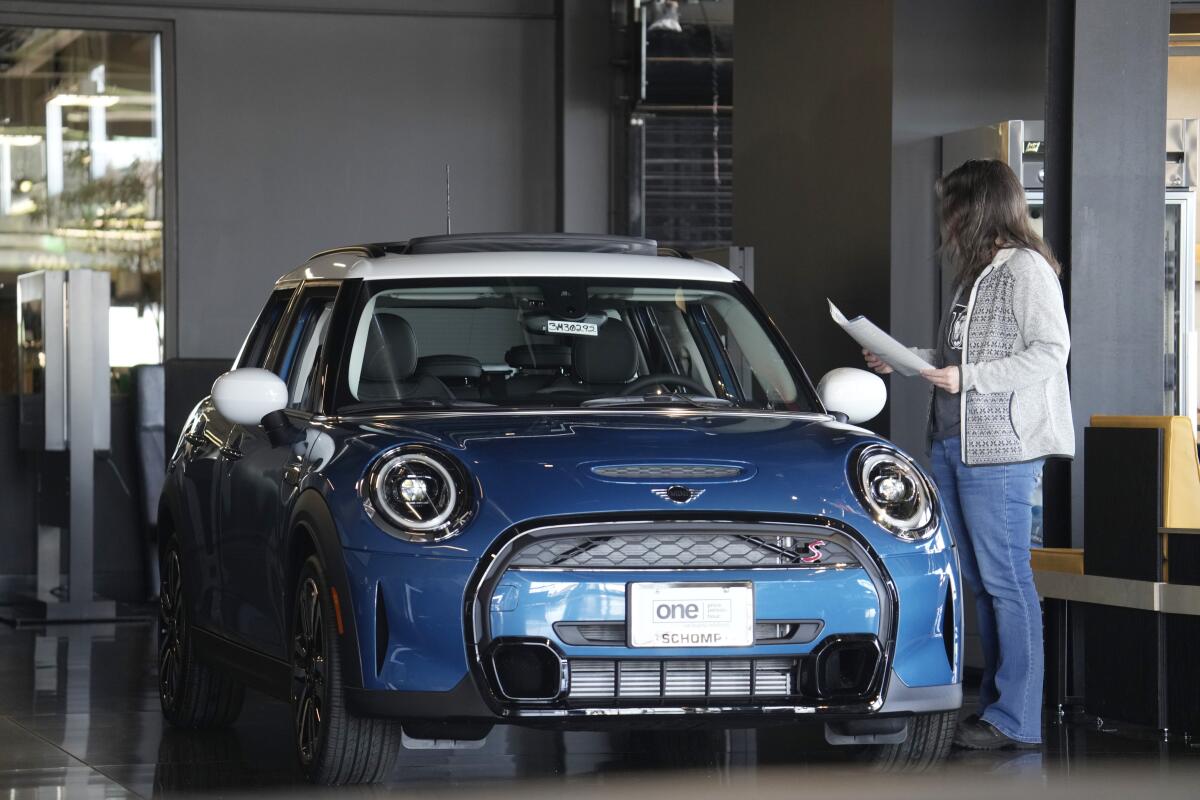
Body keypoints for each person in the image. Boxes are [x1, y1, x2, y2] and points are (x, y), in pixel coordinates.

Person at [864, 158, 1074, 750]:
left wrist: (969, 376)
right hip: (954, 445)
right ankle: (997, 712)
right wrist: (907, 357)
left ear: (978, 207)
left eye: (952, 206)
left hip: (999, 453)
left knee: (1007, 582)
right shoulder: (974, 275)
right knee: (981, 583)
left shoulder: (1027, 270)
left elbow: (1050, 352)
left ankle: (1017, 719)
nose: (945, 219)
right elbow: (957, 356)